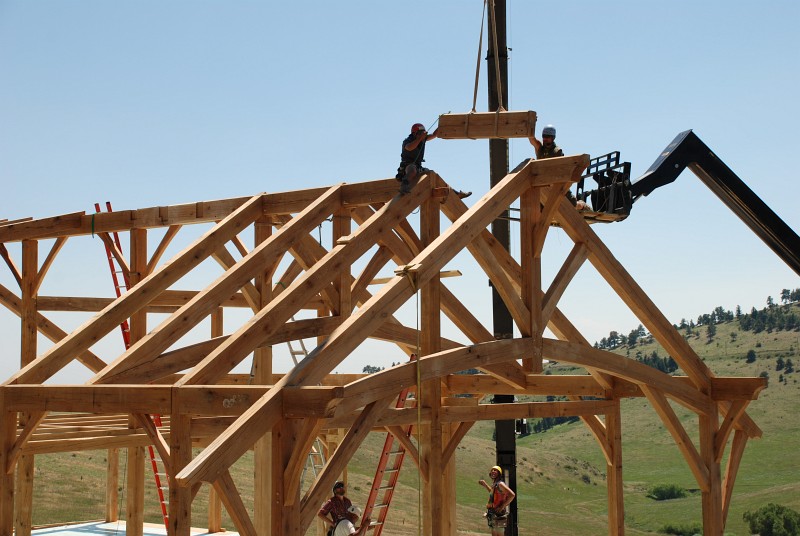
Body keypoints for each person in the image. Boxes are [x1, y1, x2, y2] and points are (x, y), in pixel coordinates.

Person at [396, 122, 471, 199]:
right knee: (412, 169)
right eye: (420, 133)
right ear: (414, 133)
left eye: (422, 133)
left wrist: (442, 124)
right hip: (407, 166)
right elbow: (409, 147)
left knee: (433, 176)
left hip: (418, 167)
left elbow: (434, 134)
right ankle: (404, 186)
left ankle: (455, 193)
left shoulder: (422, 139)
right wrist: (420, 138)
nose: (422, 135)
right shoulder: (408, 140)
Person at [528, 124, 587, 209]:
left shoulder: (557, 152)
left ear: (553, 138)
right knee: (540, 208)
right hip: (544, 185)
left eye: (547, 137)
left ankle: (583, 205)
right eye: (544, 136)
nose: (545, 139)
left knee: (573, 205)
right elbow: (531, 139)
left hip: (557, 184)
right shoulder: (540, 148)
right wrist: (530, 123)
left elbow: (560, 171)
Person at [478, 465, 515, 536]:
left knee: (499, 534)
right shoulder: (495, 484)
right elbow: (492, 493)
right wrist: (485, 485)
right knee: (494, 533)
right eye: (492, 470)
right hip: (493, 513)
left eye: (495, 470)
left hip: (498, 514)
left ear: (499, 474)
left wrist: (502, 506)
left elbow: (512, 495)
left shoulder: (500, 484)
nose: (493, 471)